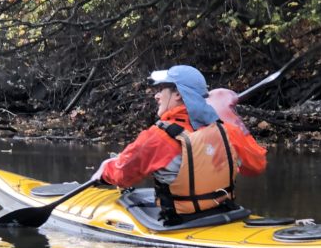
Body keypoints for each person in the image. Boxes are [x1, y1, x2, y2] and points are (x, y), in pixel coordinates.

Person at [92, 65, 267, 223]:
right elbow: (257, 166)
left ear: (177, 94)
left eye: (161, 89)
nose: (156, 95)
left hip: (181, 223)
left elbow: (123, 176)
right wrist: (234, 120)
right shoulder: (227, 131)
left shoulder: (158, 138)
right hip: (224, 213)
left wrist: (105, 170)